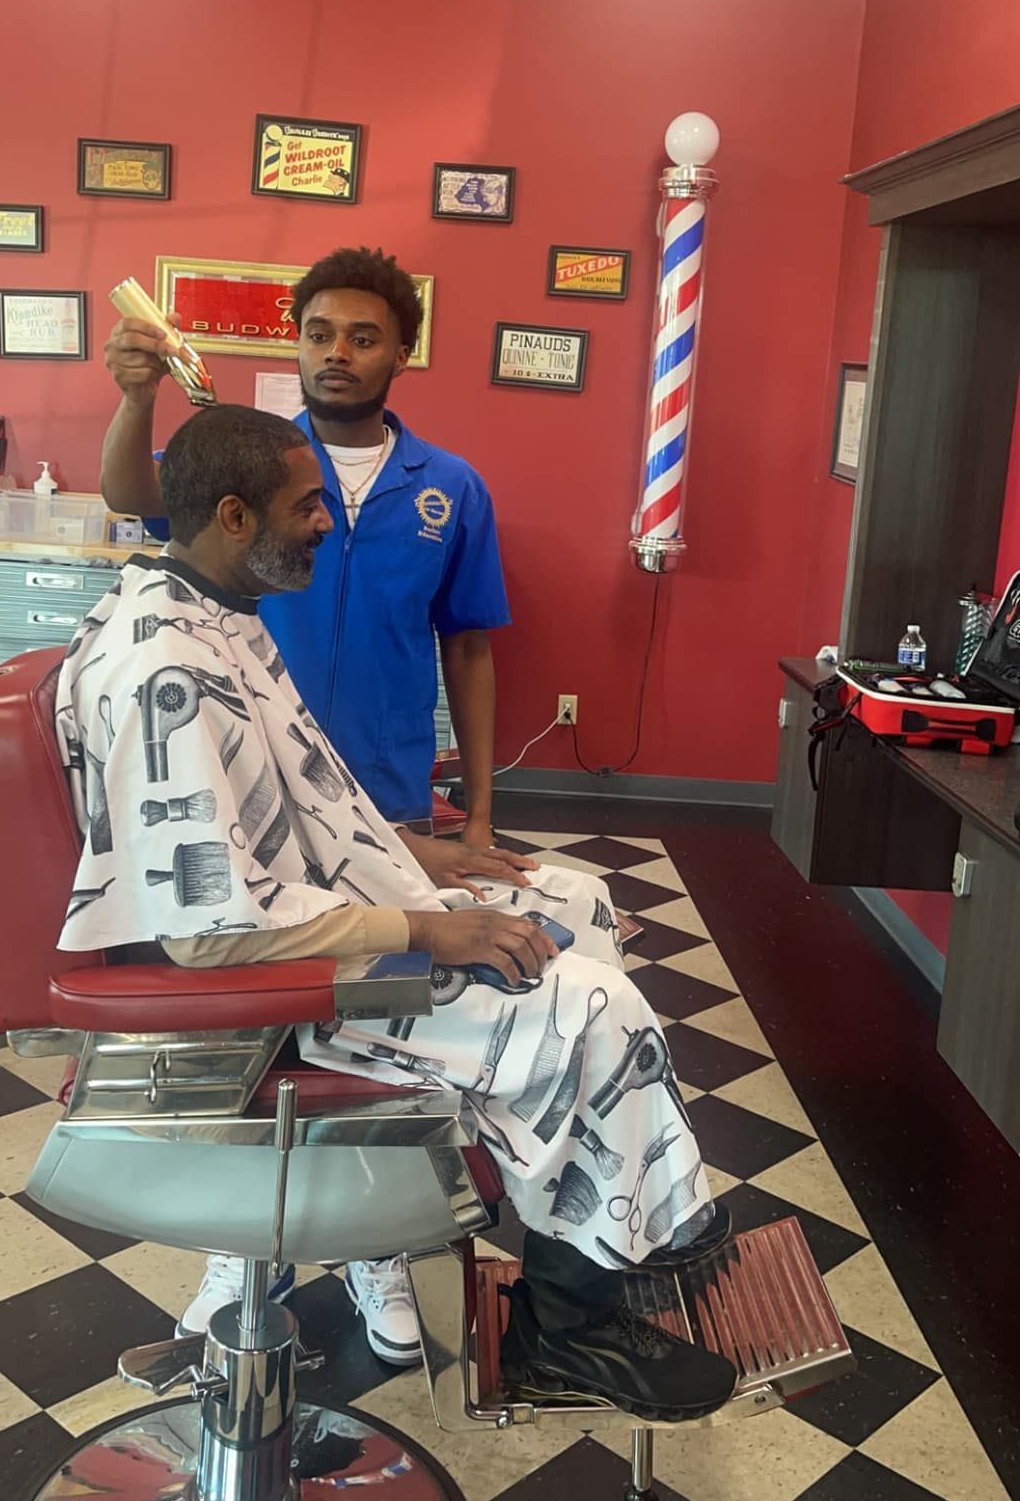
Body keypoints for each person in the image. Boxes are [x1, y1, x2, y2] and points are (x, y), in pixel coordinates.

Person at [56, 405, 735, 1422]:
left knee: (575, 900)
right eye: (308, 504)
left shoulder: (214, 609)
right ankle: (572, 1327)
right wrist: (427, 925)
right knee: (591, 1004)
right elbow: (207, 926)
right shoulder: (168, 671)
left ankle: (586, 1241)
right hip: (262, 989)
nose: (328, 520)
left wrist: (428, 857)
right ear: (234, 514)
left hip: (309, 911)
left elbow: (308, 803)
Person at [100, 246, 508, 848]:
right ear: (297, 343)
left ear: (401, 356)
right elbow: (130, 492)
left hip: (386, 781)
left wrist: (478, 816)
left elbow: (469, 651)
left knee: (394, 936)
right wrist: (138, 400)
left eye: (363, 340)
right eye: (319, 334)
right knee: (276, 936)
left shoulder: (450, 488)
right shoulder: (248, 461)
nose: (336, 353)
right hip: (251, 766)